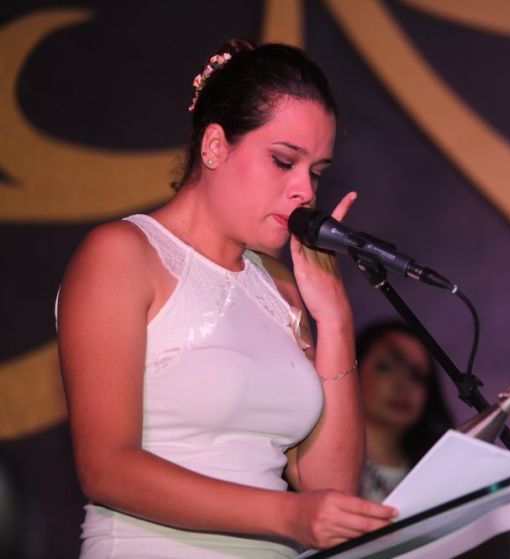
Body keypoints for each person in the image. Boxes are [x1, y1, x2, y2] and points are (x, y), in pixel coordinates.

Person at [56, 39, 396, 558]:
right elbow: (106, 468)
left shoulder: (285, 289)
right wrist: (286, 514)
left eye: (317, 172)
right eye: (284, 161)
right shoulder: (124, 254)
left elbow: (331, 488)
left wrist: (336, 319)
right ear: (214, 146)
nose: (305, 191)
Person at [355, 321, 454, 502]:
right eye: (387, 367)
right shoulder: (327, 465)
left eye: (417, 375)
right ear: (353, 371)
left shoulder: (440, 474)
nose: (403, 386)